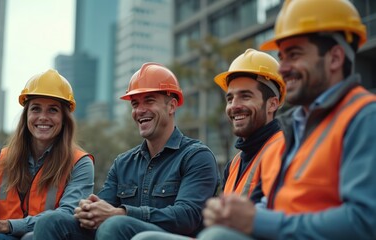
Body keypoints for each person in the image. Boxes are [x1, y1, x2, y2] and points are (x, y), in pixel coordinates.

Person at [194, 0, 376, 239]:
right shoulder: (297, 129)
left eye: (294, 55)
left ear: (335, 58)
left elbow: (363, 222)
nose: (283, 68)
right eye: (282, 56)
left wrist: (257, 221)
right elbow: (276, 204)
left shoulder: (365, 117)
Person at [32, 62, 220, 240]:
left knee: (114, 225)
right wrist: (89, 210)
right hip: (118, 231)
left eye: (149, 101)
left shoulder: (196, 156)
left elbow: (186, 217)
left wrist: (121, 213)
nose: (140, 110)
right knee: (49, 221)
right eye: (135, 104)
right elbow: (103, 208)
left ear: (171, 106)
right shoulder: (123, 163)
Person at [132, 49, 286, 240]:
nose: (234, 106)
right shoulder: (236, 163)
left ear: (272, 104)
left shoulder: (282, 150)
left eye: (245, 96)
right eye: (230, 98)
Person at [0, 69, 95, 240]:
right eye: (36, 109)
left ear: (64, 118)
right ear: (26, 115)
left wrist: (7, 225)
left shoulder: (80, 163)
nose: (43, 117)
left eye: (53, 110)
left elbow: (65, 217)